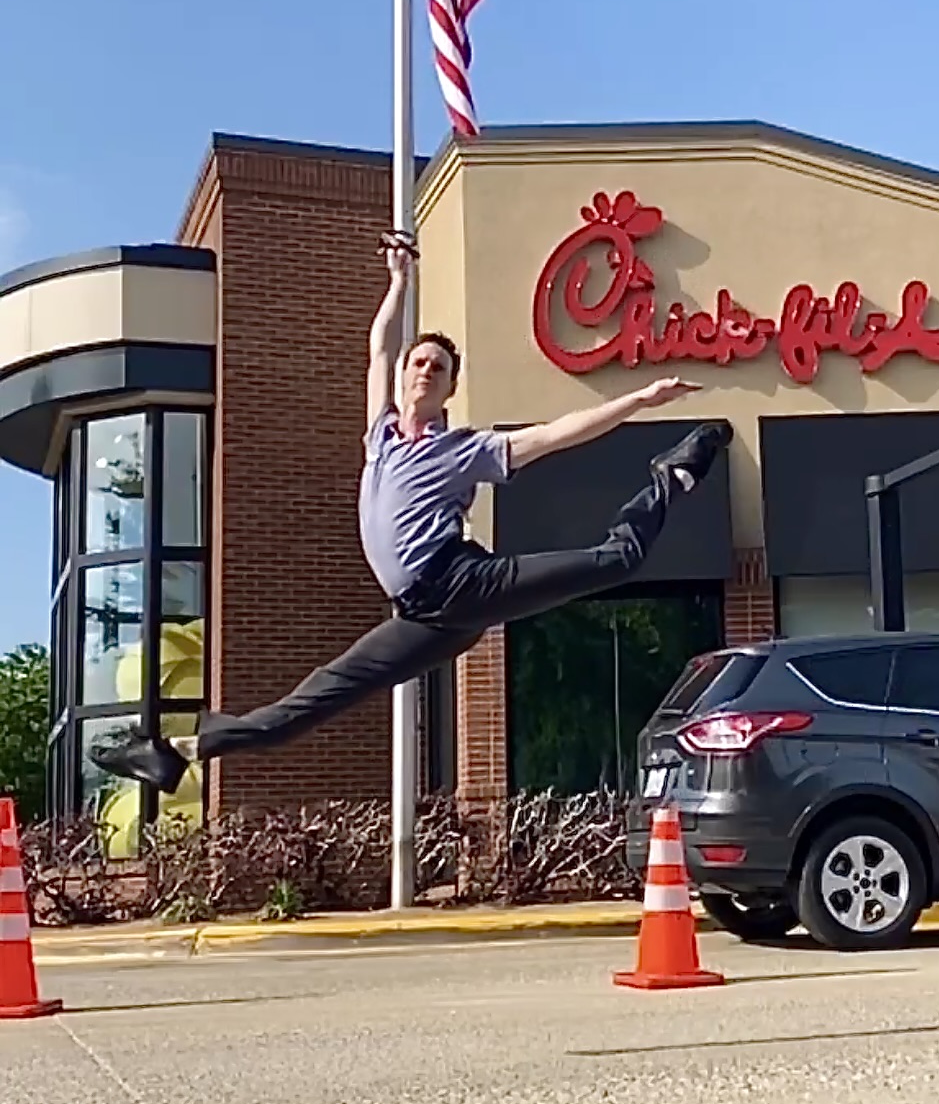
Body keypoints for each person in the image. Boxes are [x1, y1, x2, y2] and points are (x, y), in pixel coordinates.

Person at [89, 232, 732, 794]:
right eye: (418, 362)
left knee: (616, 560)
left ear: (451, 388)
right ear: (403, 379)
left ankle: (671, 472)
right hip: (423, 614)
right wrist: (398, 282)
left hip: (460, 581)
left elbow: (561, 432)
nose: (425, 369)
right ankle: (178, 753)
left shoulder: (467, 449)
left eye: (439, 367)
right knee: (320, 695)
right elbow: (378, 348)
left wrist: (640, 398)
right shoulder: (381, 434)